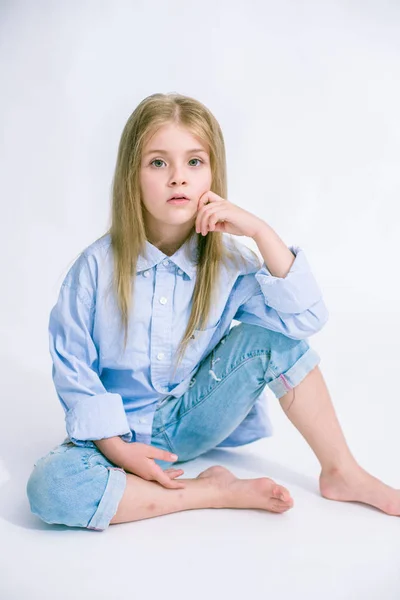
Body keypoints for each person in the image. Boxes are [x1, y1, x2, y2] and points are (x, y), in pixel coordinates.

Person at [26, 92, 399, 532]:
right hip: (117, 437)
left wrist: (260, 231)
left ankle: (341, 471)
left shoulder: (230, 264)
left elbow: (305, 323)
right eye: (158, 163)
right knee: (52, 488)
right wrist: (113, 447)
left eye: (194, 163)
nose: (177, 179)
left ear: (213, 174)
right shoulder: (95, 268)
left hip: (193, 420)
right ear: (133, 175)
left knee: (273, 341)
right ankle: (213, 491)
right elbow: (74, 369)